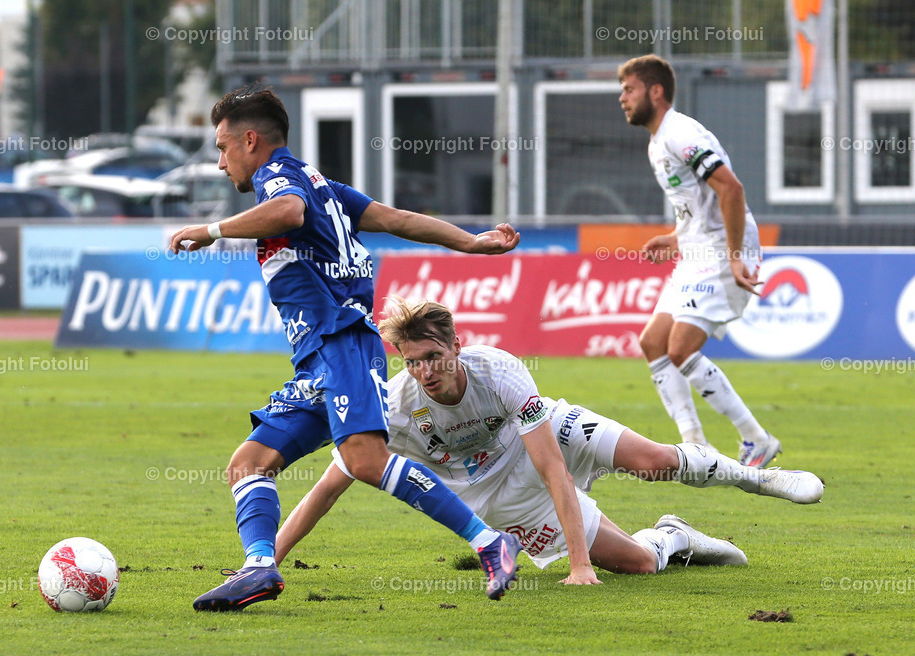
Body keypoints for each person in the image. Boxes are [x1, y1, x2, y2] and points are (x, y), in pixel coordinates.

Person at [169, 87, 524, 611]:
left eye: (224, 148)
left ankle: (489, 541)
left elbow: (287, 212)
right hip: (318, 356)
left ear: (251, 140)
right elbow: (398, 219)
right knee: (249, 463)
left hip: (342, 342)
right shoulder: (325, 186)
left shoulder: (280, 181)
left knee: (364, 460)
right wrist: (469, 241)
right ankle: (259, 569)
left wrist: (212, 230)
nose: (222, 163)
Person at [275, 300, 823, 580]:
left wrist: (579, 566)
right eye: (413, 363)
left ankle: (760, 476)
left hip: (539, 437)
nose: (425, 372)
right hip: (496, 495)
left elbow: (552, 466)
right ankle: (673, 536)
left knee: (654, 459)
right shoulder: (394, 410)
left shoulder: (502, 373)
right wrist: (264, 561)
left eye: (434, 358)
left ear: (457, 346)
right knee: (639, 565)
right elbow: (326, 489)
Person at [618, 54, 780, 467]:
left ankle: (756, 438)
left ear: (656, 91)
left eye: (629, 89)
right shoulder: (658, 142)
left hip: (722, 249)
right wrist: (676, 237)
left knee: (681, 347)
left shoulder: (681, 133)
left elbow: (731, 189)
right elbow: (699, 203)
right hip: (697, 249)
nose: (623, 98)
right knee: (653, 342)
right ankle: (694, 442)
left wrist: (736, 255)